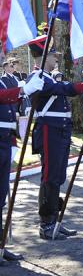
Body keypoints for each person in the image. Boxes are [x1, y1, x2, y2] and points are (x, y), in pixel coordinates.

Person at [27, 51, 83, 239]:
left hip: (60, 130)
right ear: (43, 57)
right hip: (50, 130)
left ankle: (54, 219)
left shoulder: (49, 78)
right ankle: (46, 223)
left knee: (57, 175)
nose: (57, 58)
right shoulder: (37, 77)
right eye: (52, 55)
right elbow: (66, 89)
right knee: (50, 176)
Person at [0, 71, 43, 259]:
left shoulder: (2, 80)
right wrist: (23, 89)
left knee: (1, 197)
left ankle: (0, 246)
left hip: (4, 140)